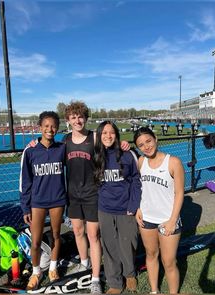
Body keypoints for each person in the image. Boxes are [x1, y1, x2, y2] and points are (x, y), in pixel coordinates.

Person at [64, 101, 130, 294]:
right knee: (77, 231)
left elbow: (111, 146)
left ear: (86, 118)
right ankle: (84, 264)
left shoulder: (94, 137)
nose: (77, 120)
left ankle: (94, 279)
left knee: (93, 235)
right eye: (73, 117)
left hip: (92, 194)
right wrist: (35, 143)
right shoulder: (66, 140)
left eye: (80, 116)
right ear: (68, 120)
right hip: (73, 195)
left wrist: (123, 144)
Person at [20, 111, 67, 290]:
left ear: (57, 128)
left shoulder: (61, 148)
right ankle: (36, 271)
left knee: (56, 235)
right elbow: (25, 181)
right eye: (46, 126)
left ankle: (53, 268)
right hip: (37, 202)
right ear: (40, 128)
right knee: (36, 241)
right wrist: (25, 207)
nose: (50, 129)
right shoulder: (30, 150)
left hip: (57, 200)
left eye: (53, 126)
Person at [133, 127, 184, 294]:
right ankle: (154, 291)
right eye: (141, 145)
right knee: (151, 255)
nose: (146, 146)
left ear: (155, 138)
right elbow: (140, 188)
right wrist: (138, 208)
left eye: (148, 141)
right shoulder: (141, 161)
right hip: (146, 218)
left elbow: (179, 193)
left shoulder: (173, 162)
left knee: (169, 261)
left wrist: (172, 220)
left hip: (167, 220)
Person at [94, 121, 141, 294]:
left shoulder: (128, 154)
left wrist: (133, 204)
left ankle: (129, 274)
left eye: (111, 132)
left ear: (116, 134)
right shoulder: (96, 155)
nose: (108, 136)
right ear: (99, 136)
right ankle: (115, 282)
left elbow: (136, 180)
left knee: (128, 242)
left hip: (125, 208)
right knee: (110, 245)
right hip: (105, 208)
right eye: (104, 133)